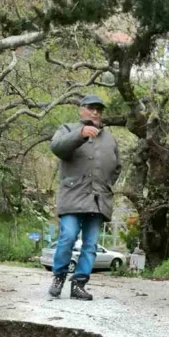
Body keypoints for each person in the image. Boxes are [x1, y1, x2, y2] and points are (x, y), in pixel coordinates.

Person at [48, 93, 121, 301]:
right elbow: (57, 147)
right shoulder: (67, 129)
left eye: (99, 109)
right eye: (91, 108)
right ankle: (59, 277)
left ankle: (79, 284)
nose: (96, 112)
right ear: (81, 110)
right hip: (72, 196)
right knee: (68, 237)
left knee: (91, 245)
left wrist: (106, 184)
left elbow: (117, 167)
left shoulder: (109, 138)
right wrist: (80, 134)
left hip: (99, 199)